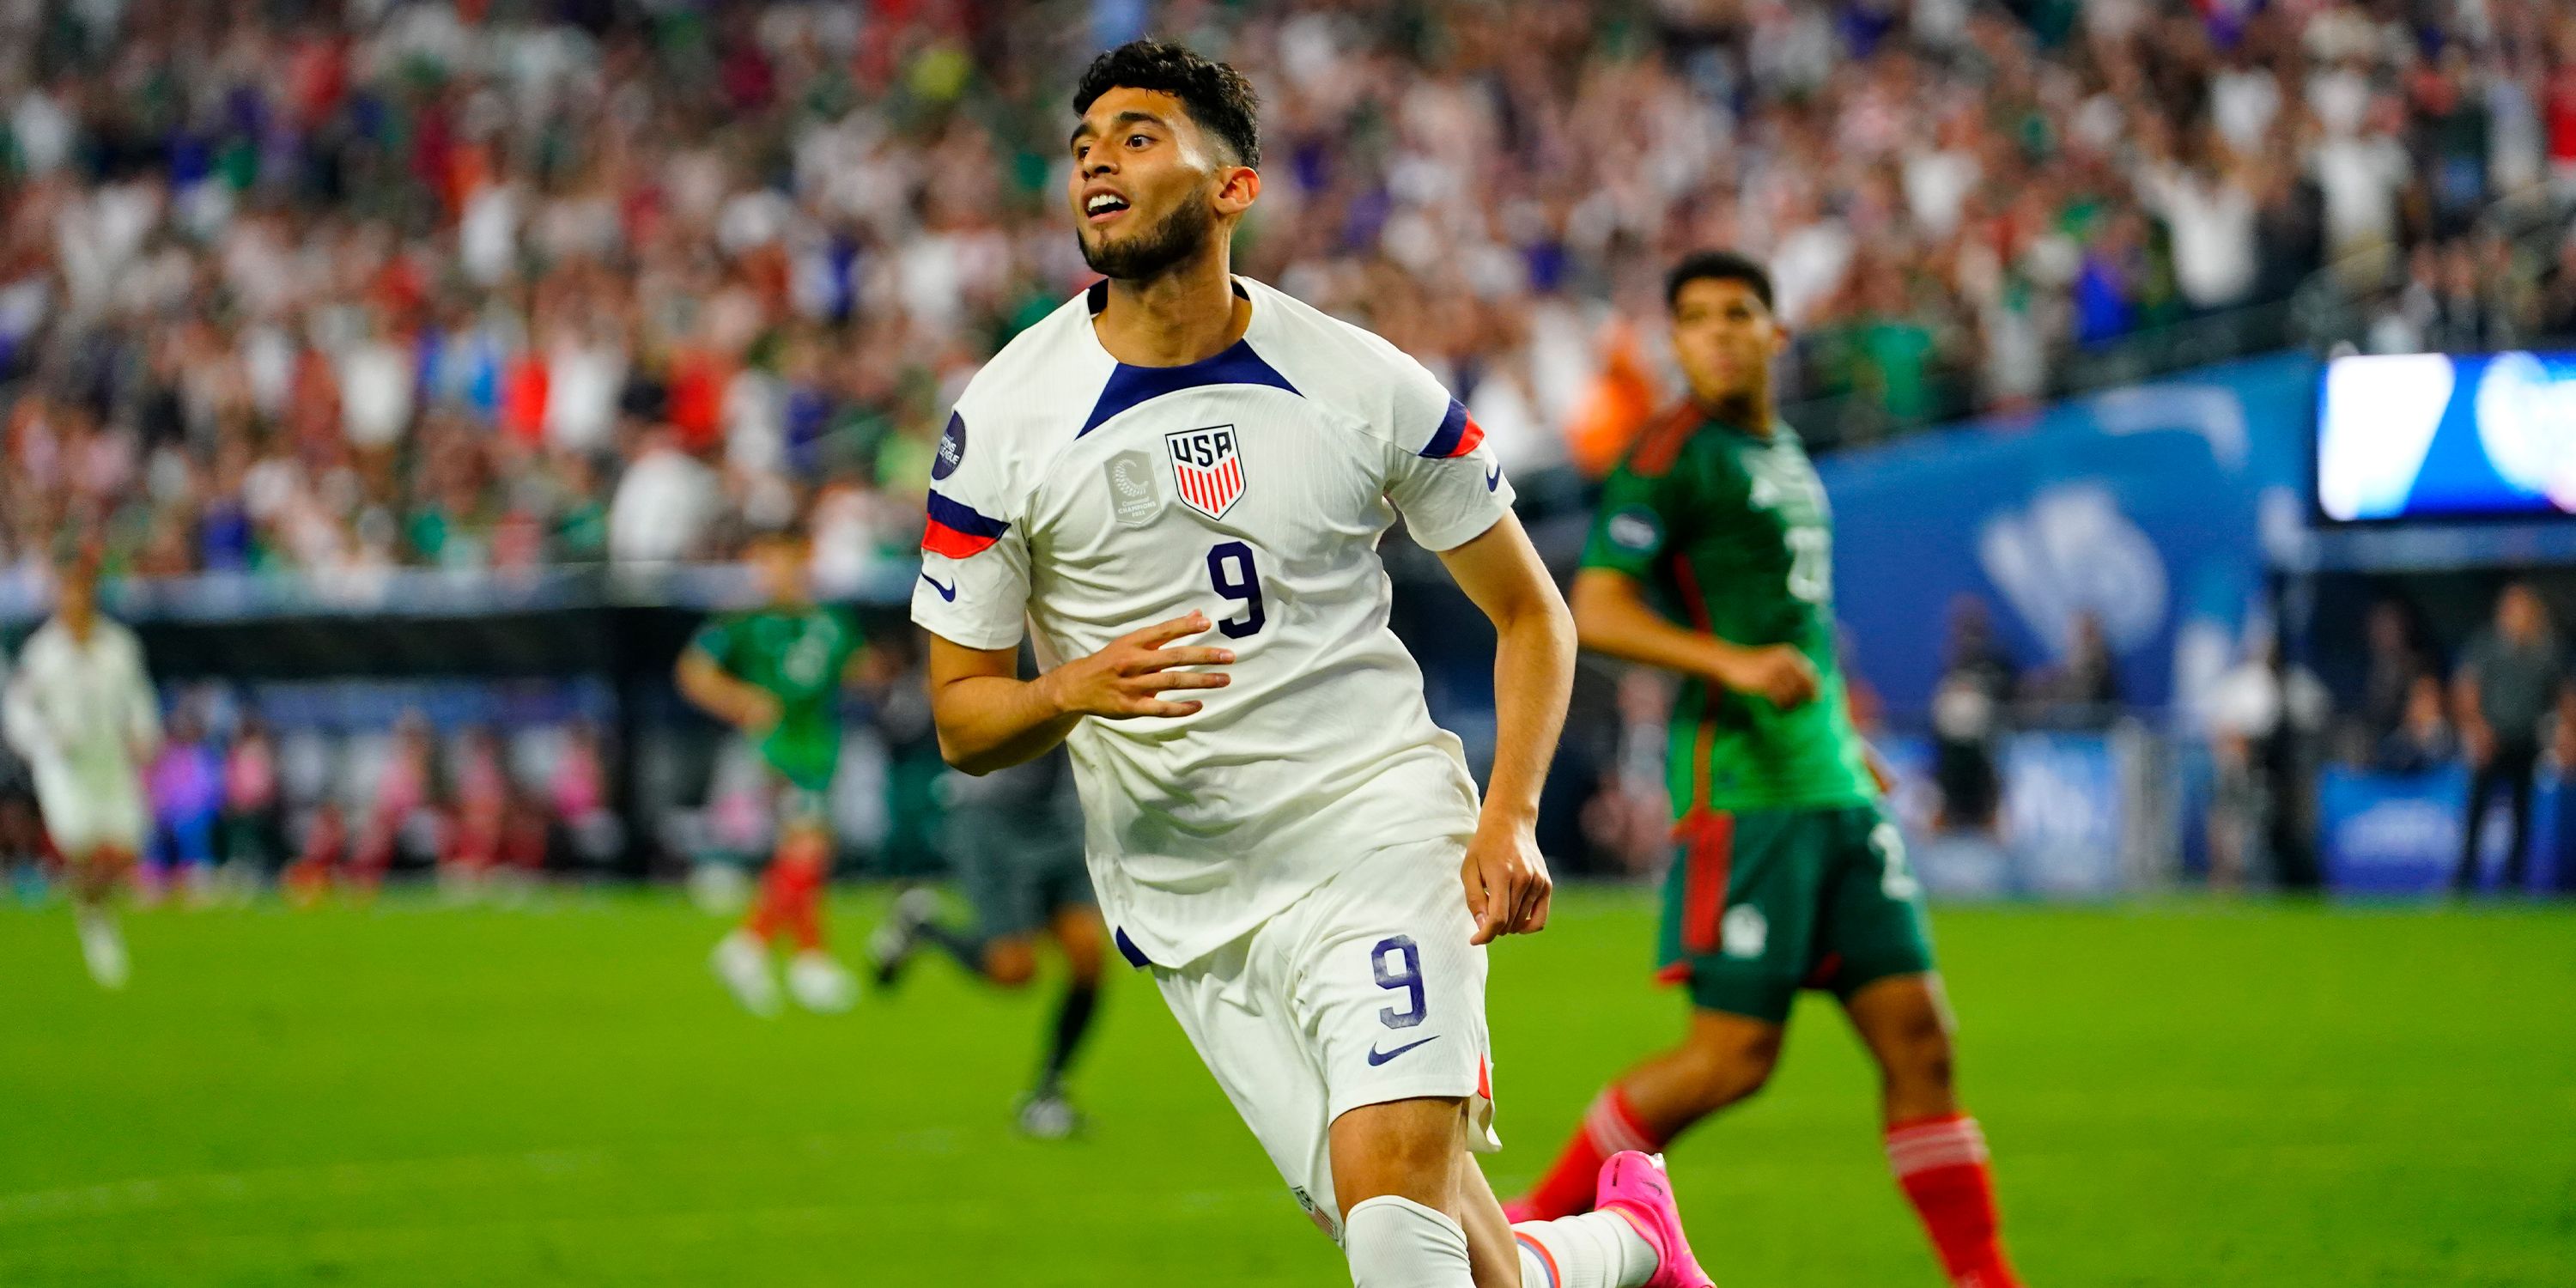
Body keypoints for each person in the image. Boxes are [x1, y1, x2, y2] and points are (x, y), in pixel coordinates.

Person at [910, 41, 1710, 1288]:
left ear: (1234, 190)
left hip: (1376, 834)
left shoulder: (1360, 380)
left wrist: (1509, 819)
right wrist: (1071, 687)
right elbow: (961, 720)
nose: (1096, 166)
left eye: (1137, 138)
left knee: (1396, 1220)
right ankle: (1624, 1247)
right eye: (1083, 149)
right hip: (1188, 900)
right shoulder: (1006, 419)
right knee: (1436, 1245)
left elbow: (1535, 616)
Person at [1508, 252, 2024, 1288]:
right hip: (1747, 799)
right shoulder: (1672, 456)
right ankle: (1526, 1231)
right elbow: (1597, 608)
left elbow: (1797, 631)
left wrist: (1844, 734)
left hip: (1831, 787)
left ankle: (1988, 1282)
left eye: (1738, 314)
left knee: (1923, 1042)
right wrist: (1732, 665)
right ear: (1677, 341)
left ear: (1776, 334)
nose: (1718, 334)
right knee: (1729, 1061)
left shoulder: (1784, 449)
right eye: (1694, 319)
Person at [869, 741, 1108, 1140]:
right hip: (991, 813)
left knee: (1089, 954)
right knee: (1014, 971)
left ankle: (1048, 1093)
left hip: (1058, 814)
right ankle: (922, 926)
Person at [683, 527, 873, 1015]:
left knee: (803, 855)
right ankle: (759, 948)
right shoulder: (744, 620)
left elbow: (857, 670)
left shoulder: (831, 620)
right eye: (765, 562)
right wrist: (740, 700)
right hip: (778, 748)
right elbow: (694, 671)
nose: (773, 573)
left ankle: (799, 959)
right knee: (808, 848)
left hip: (820, 747)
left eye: (782, 561)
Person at [3, 548, 162, 989]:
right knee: (81, 844)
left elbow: (138, 699)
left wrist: (144, 733)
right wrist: (41, 741)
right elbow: (19, 709)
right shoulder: (42, 653)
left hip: (111, 763)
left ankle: (95, 910)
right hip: (65, 768)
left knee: (126, 849)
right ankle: (96, 927)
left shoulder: (119, 647)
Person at [2451, 583, 2573, 894]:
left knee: (2522, 812)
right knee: (2477, 811)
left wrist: (2568, 733)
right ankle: (2465, 878)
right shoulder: (2487, 645)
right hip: (2491, 741)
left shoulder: (2545, 650)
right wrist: (2478, 730)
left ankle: (2514, 880)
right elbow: (2466, 689)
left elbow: (2563, 696)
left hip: (2525, 741)